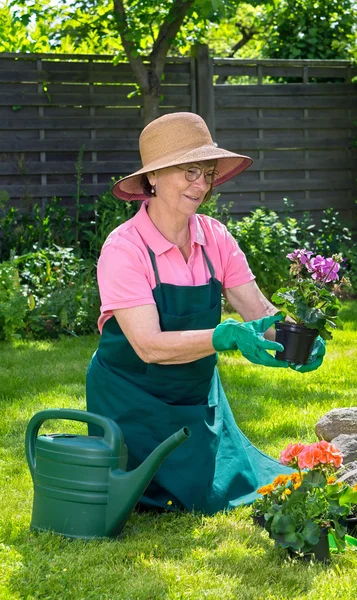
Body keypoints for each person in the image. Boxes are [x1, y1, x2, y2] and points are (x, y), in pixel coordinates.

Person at [86, 112, 325, 515]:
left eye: (208, 174)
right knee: (173, 498)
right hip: (131, 404)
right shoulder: (124, 249)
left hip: (197, 399)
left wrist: (295, 338)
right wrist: (222, 336)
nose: (201, 185)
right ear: (153, 178)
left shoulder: (215, 236)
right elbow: (148, 347)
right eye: (189, 172)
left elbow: (257, 310)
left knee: (249, 486)